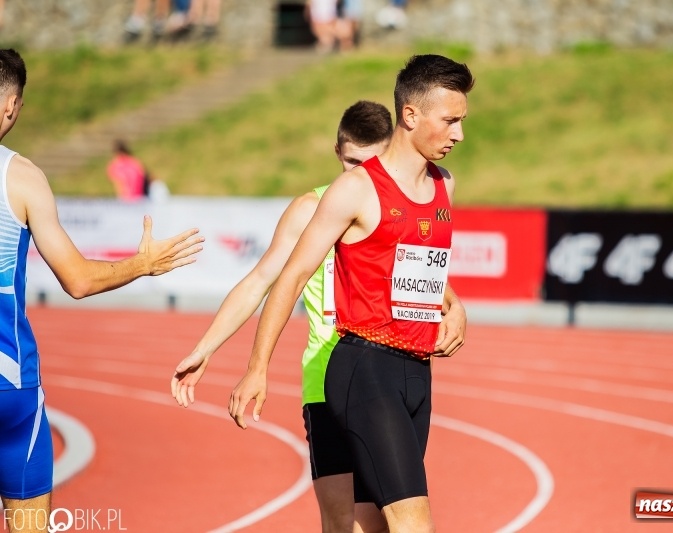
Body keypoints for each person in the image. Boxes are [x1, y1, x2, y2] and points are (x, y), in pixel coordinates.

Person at [172, 99, 464, 532]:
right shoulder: (312, 209)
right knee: (342, 520)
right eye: (350, 162)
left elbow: (418, 270)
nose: (357, 173)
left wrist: (454, 306)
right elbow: (262, 281)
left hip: (387, 370)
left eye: (368, 162)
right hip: (328, 377)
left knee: (380, 521)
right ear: (337, 152)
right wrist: (208, 349)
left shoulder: (395, 193)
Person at [0, 48, 205, 533]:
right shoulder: (22, 179)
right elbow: (78, 280)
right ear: (12, 106)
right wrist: (144, 263)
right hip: (12, 391)